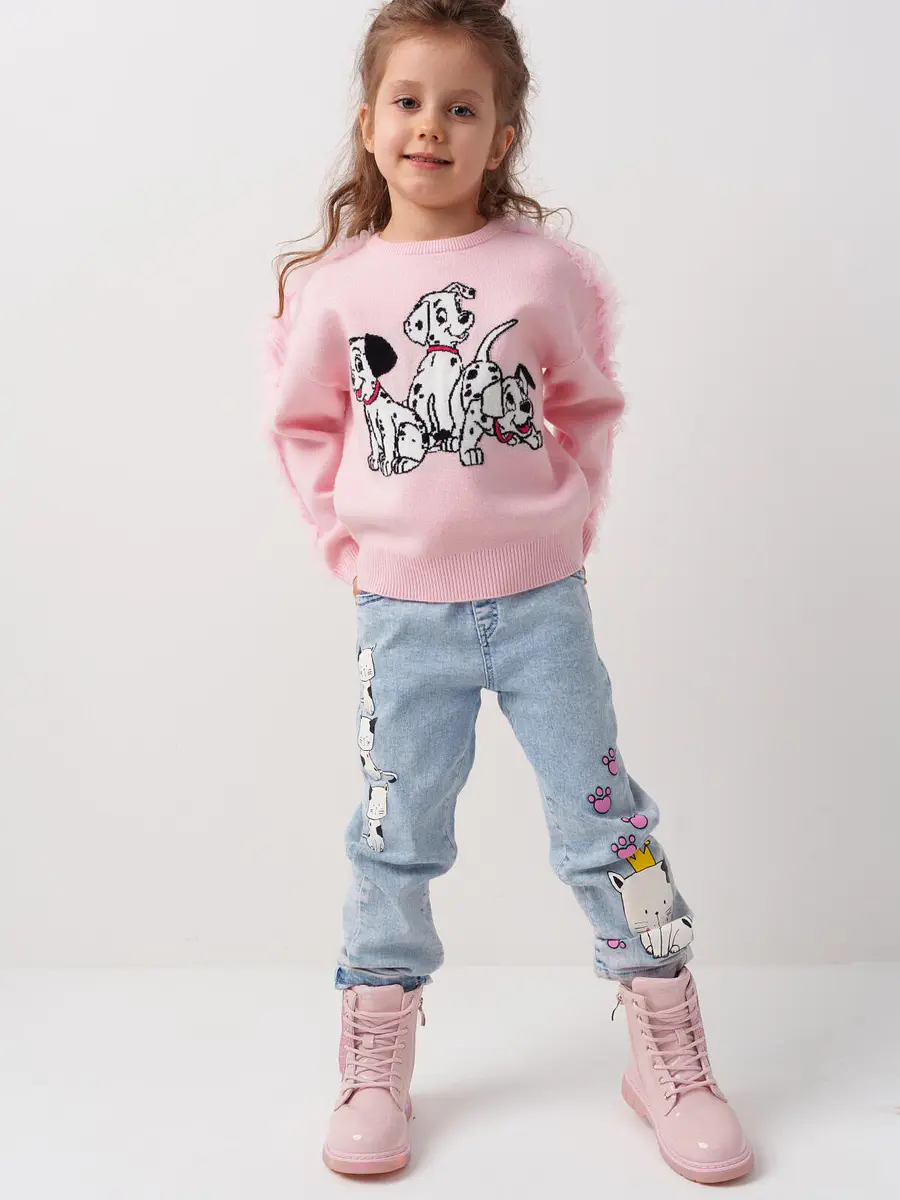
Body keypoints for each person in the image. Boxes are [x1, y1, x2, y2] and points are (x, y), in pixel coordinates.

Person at [265, 0, 753, 1185]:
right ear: (370, 123)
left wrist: (566, 524)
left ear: (503, 133)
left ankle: (666, 1044)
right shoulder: (337, 289)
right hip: (401, 617)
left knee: (608, 824)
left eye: (461, 106)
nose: (431, 125)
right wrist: (349, 549)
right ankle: (375, 1056)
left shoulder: (542, 273)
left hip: (543, 611)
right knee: (394, 835)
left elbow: (587, 404)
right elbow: (303, 427)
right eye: (408, 101)